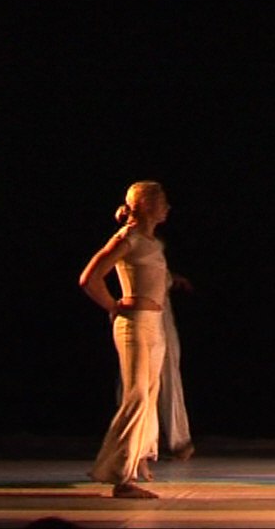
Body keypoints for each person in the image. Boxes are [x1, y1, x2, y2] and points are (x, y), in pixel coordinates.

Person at [79, 181, 171, 499]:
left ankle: (135, 460)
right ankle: (121, 477)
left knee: (149, 393)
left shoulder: (152, 243)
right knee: (137, 396)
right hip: (134, 324)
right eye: (161, 201)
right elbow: (90, 278)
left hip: (154, 324)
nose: (167, 207)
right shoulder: (126, 238)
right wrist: (113, 305)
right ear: (144, 205)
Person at [158, 271, 195, 461]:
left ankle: (178, 440)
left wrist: (171, 278)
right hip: (144, 316)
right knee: (138, 384)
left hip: (158, 315)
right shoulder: (126, 250)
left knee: (168, 379)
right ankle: (140, 441)